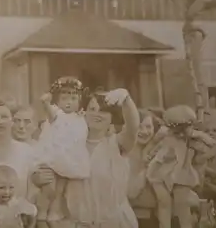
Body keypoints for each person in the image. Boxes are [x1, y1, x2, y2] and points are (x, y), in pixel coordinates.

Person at [33, 88, 140, 227]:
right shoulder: (69, 145)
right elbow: (46, 168)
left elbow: (133, 127)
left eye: (103, 110)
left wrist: (126, 100)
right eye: (92, 109)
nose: (97, 114)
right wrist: (36, 177)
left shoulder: (117, 144)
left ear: (112, 117)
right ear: (84, 112)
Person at [146, 105, 216, 228]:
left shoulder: (194, 138)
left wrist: (201, 158)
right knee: (164, 202)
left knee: (182, 205)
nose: (180, 133)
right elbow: (153, 147)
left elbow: (215, 146)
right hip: (161, 171)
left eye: (185, 127)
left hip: (181, 172)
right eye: (175, 128)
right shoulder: (165, 135)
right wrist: (149, 154)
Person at [34, 77, 90, 228]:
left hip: (70, 158)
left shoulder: (80, 117)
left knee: (64, 188)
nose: (69, 102)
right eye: (64, 98)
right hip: (54, 156)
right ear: (57, 101)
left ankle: (56, 212)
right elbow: (50, 113)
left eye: (73, 98)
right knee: (50, 187)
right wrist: (45, 103)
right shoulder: (58, 114)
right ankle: (42, 213)